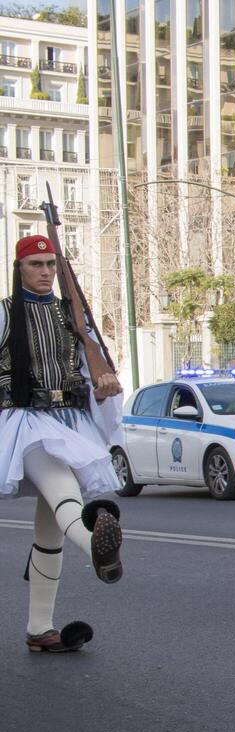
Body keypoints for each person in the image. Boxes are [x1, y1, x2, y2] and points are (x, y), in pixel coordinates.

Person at [1, 234, 125, 653]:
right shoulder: (3, 314)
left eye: (51, 264)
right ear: (19, 268)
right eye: (36, 264)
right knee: (63, 491)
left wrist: (104, 386)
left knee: (48, 527)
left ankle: (40, 628)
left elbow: (92, 376)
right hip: (26, 422)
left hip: (69, 420)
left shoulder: (73, 318)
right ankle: (95, 544)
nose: (46, 272)